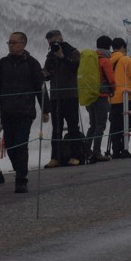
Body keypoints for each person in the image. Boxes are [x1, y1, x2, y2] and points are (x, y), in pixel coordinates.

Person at [0, 32, 44, 193]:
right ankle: (19, 170)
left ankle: (21, 179)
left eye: (14, 42)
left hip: (25, 112)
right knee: (10, 146)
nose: (10, 45)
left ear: (23, 44)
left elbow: (40, 88)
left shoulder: (32, 64)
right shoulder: (2, 64)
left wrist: (46, 109)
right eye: (9, 43)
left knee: (21, 144)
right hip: (7, 111)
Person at [41, 30, 81, 168]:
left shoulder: (73, 51)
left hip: (70, 96)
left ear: (60, 38)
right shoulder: (50, 55)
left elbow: (75, 69)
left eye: (54, 42)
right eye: (50, 44)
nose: (52, 45)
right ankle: (55, 157)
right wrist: (44, 73)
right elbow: (46, 75)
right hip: (56, 97)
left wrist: (62, 56)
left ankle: (76, 155)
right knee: (56, 129)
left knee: (73, 127)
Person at [109, 37, 131, 158]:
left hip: (112, 97)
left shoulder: (109, 60)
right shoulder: (126, 59)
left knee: (115, 124)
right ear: (123, 47)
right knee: (125, 124)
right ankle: (125, 148)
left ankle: (115, 150)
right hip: (126, 97)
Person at [84, 36, 116, 163]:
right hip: (101, 96)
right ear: (109, 47)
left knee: (92, 125)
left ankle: (86, 150)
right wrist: (113, 90)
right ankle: (96, 152)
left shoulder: (91, 58)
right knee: (100, 125)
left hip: (90, 95)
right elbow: (111, 80)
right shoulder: (105, 60)